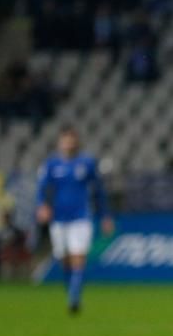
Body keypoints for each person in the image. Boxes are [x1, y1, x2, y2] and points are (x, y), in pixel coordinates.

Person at [35, 127, 114, 314]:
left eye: (72, 140)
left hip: (81, 217)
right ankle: (71, 292)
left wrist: (105, 216)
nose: (69, 143)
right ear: (60, 142)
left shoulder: (86, 163)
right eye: (65, 140)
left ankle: (74, 299)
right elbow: (42, 189)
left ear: (76, 142)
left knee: (78, 257)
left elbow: (99, 191)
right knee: (64, 259)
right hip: (59, 218)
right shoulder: (51, 165)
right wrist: (42, 206)